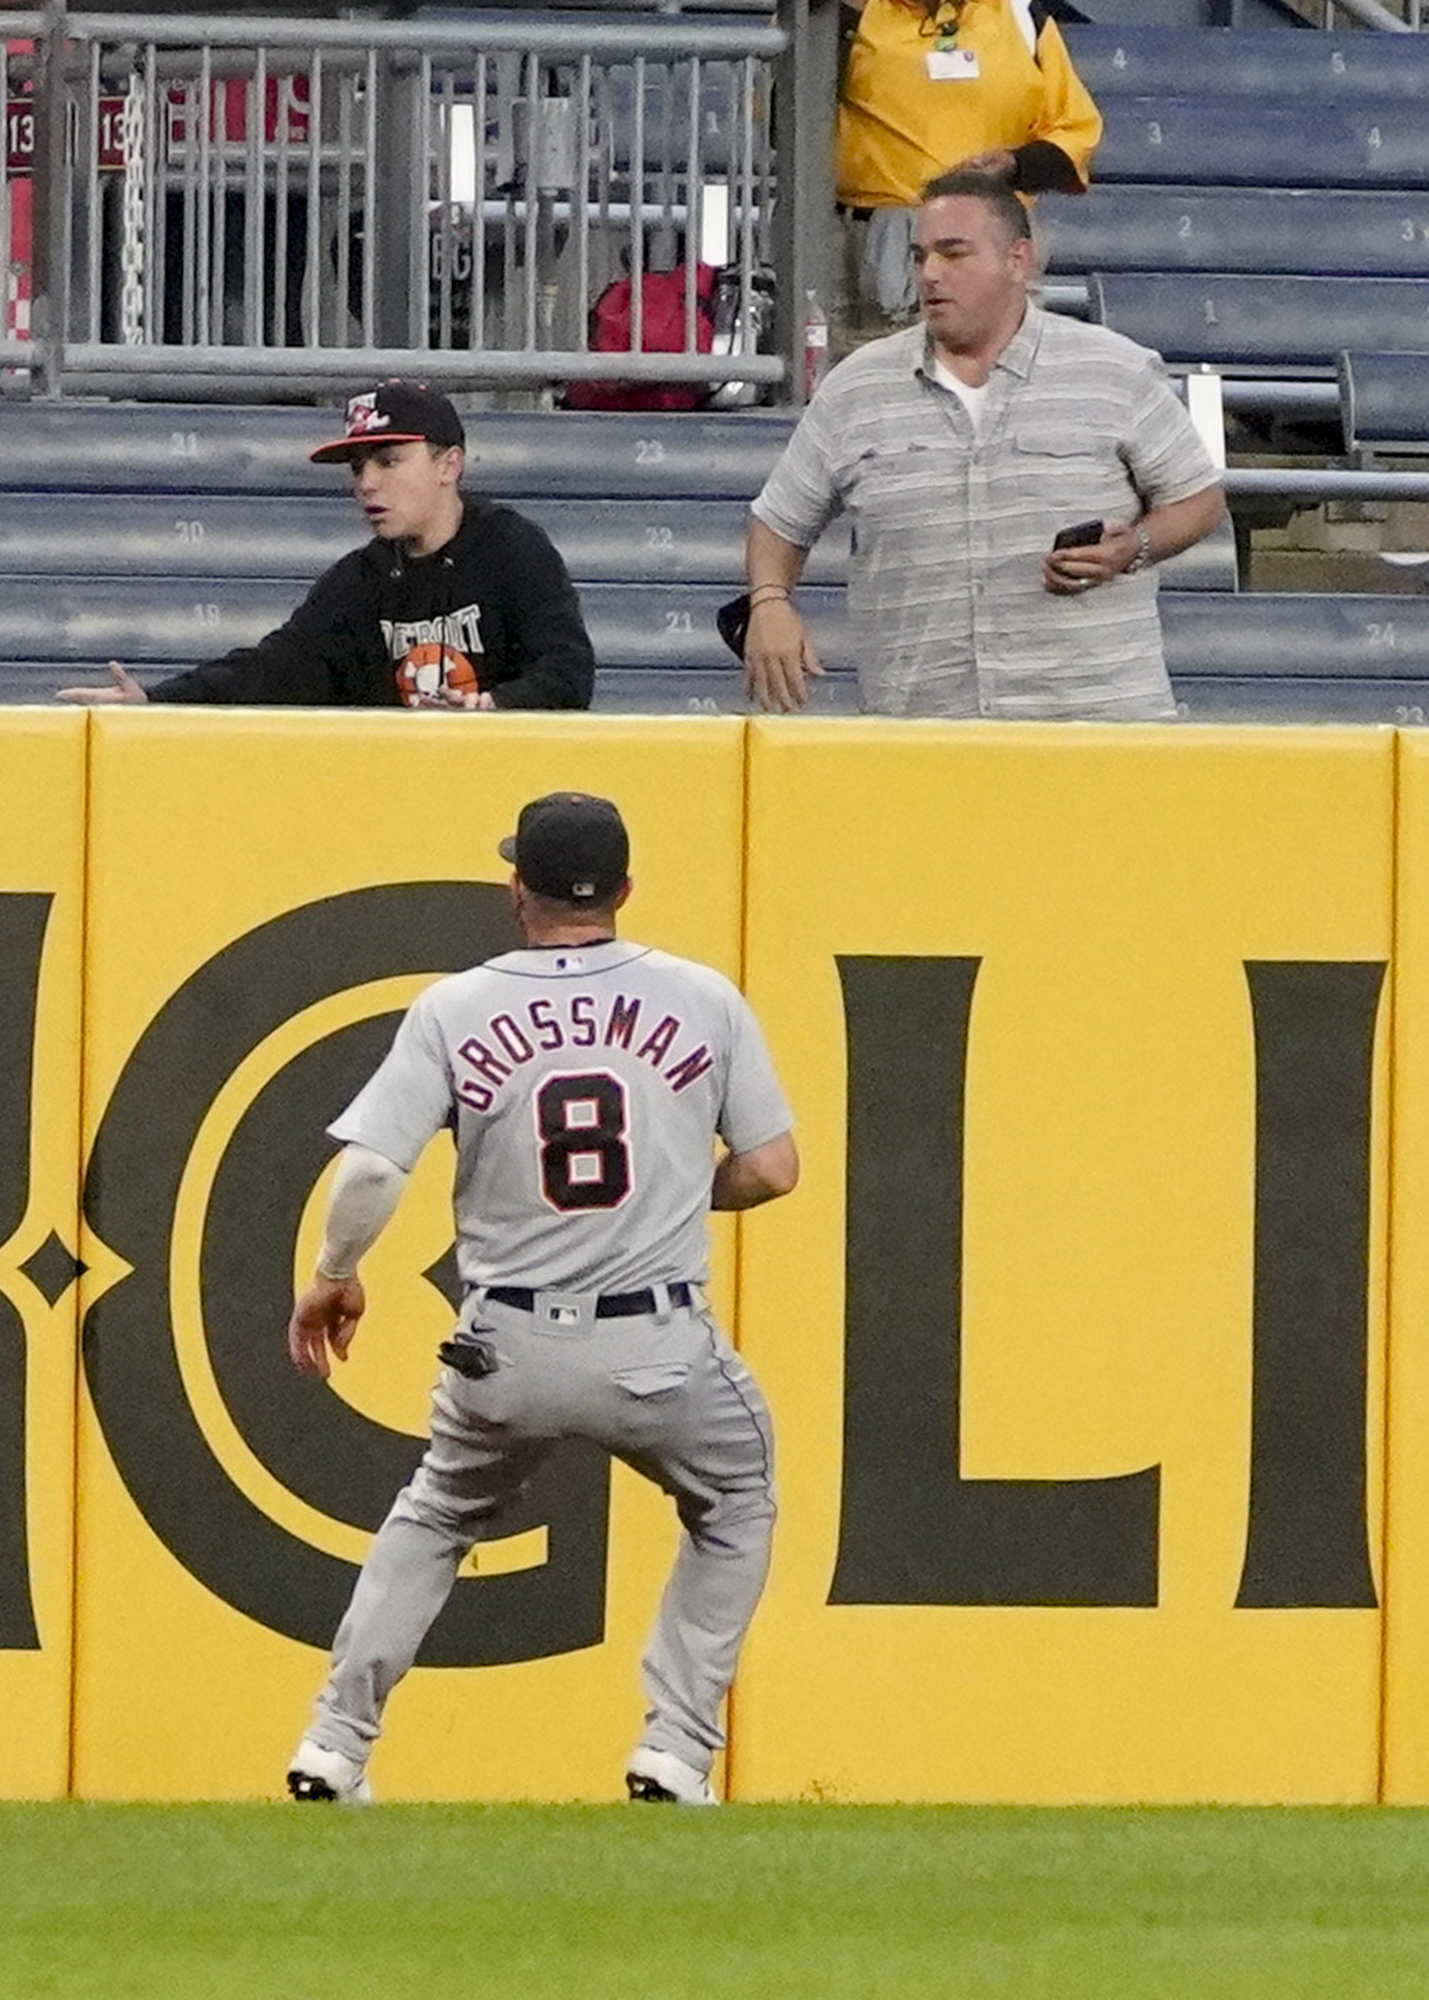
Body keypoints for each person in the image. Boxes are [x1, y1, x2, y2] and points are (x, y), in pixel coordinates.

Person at [282, 792, 795, 1808]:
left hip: (504, 1342)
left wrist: (334, 1273)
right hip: (655, 1342)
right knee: (736, 1495)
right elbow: (774, 1168)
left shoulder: (456, 1004)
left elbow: (374, 1171)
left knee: (435, 1512)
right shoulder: (702, 995)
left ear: (518, 888)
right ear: (624, 891)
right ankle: (675, 1749)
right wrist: (680, 1189)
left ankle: (334, 1744)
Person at [741, 170, 1224, 721]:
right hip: (925, 735)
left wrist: (1131, 547)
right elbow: (778, 521)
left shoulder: (1115, 370)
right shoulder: (857, 387)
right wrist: (769, 601)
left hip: (1099, 730)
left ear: (1018, 261)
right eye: (921, 256)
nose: (930, 274)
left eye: (953, 254)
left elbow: (1199, 501)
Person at [59, 382, 596, 710]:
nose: (366, 483)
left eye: (388, 462)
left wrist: (494, 706)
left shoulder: (512, 550)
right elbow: (275, 668)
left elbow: (567, 673)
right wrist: (157, 698)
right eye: (359, 467)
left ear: (448, 465)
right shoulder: (359, 581)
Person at [833, 0, 1100, 343]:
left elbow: (1076, 131)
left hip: (992, 230)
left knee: (1003, 372)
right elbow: (782, 117)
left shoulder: (1022, 14)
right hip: (877, 236)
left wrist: (1015, 165)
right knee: (878, 383)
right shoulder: (849, 12)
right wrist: (841, 17)